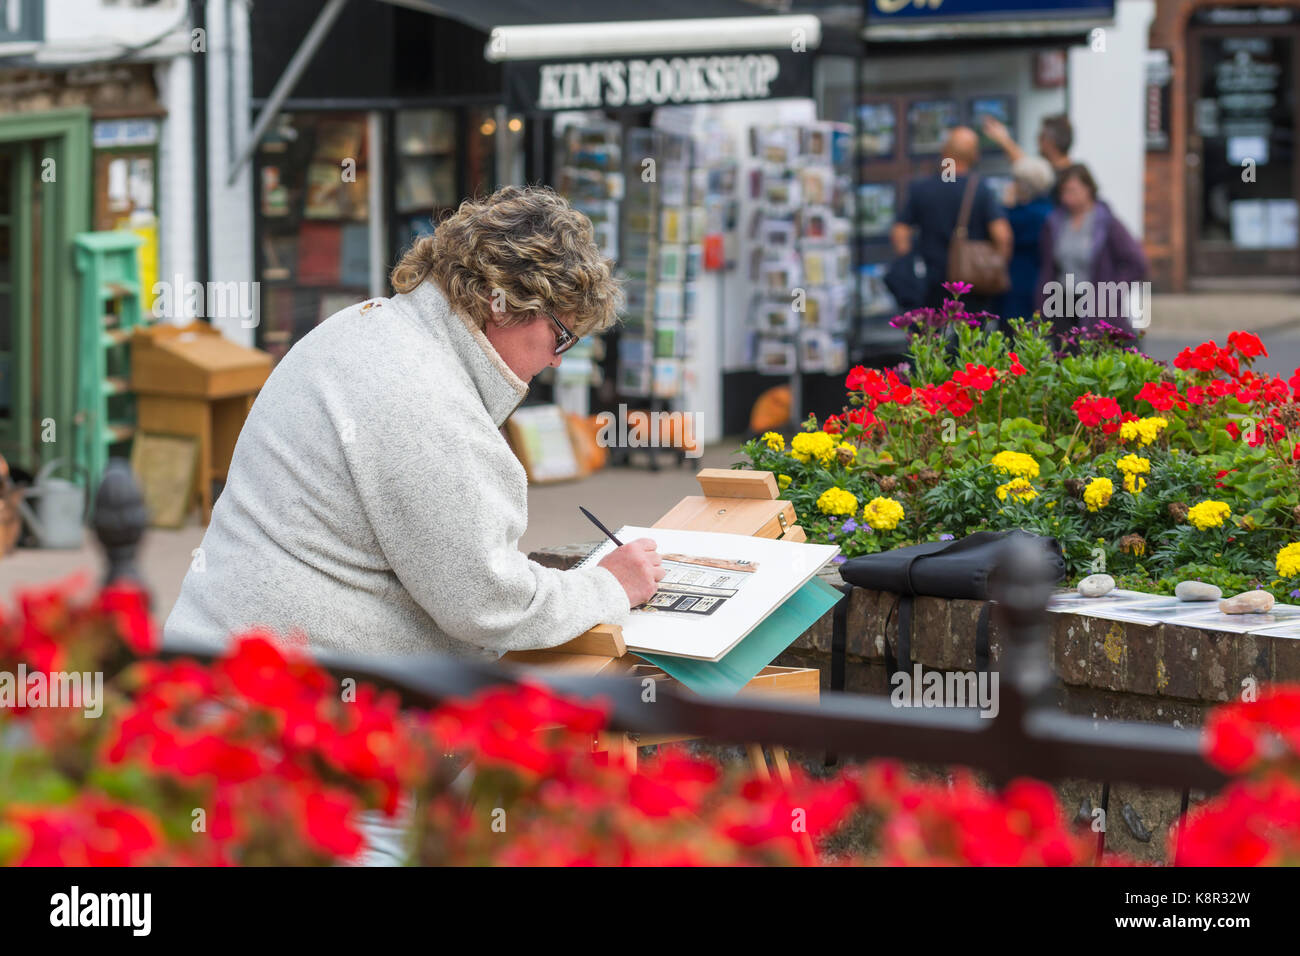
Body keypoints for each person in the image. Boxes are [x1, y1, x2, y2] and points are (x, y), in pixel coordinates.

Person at [164, 185, 665, 659]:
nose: (558, 360)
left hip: (227, 658)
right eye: (561, 336)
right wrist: (608, 586)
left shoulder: (369, 326)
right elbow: (486, 603)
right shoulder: (427, 395)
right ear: (507, 304)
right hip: (285, 695)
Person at [890, 126, 1012, 313]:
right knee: (968, 338)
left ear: (944, 152)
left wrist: (909, 267)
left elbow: (900, 233)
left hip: (930, 282)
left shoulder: (922, 188)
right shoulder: (981, 190)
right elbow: (1002, 236)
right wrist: (993, 269)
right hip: (971, 283)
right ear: (975, 155)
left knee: (931, 336)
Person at [1035, 164, 1149, 340]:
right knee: (1064, 356)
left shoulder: (1106, 223)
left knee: (1092, 353)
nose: (1067, 197)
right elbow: (1047, 265)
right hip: (1061, 300)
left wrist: (1111, 291)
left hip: (1095, 302)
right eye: (1063, 192)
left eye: (1072, 190)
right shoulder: (1055, 222)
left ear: (1088, 189)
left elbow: (1136, 262)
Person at [996, 156, 1056, 321]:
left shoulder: (1017, 215)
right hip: (1045, 283)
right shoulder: (1051, 210)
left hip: (1017, 283)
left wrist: (1006, 205)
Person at [981, 113, 1075, 201]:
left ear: (1050, 141)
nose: (1037, 141)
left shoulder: (1057, 176)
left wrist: (1004, 140)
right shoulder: (1071, 172)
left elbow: (1027, 168)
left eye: (1041, 136)